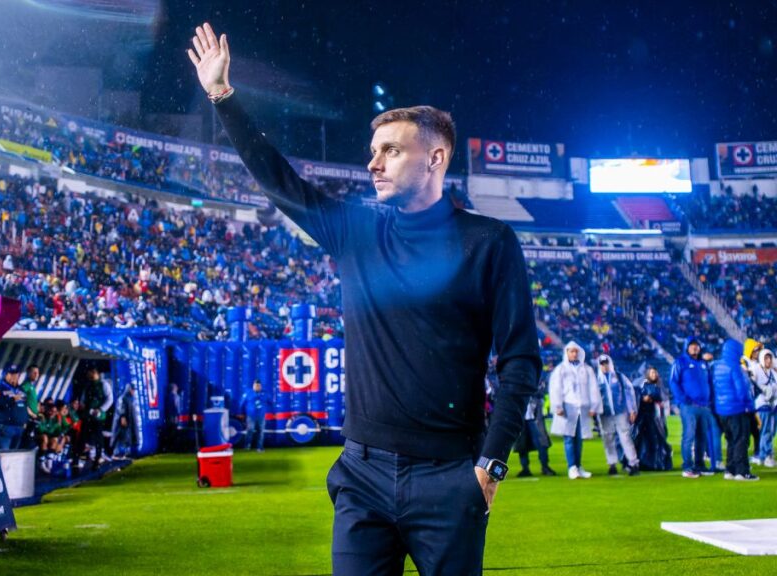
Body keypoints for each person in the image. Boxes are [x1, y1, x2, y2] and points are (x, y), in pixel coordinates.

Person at [188, 23, 541, 574]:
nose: (373, 163)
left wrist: (489, 467)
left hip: (449, 477)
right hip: (361, 474)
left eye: (391, 150)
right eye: (373, 151)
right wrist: (222, 96)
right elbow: (281, 181)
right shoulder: (357, 231)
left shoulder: (489, 241)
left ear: (436, 158)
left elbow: (520, 361)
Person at [669, 337, 721, 478]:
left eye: (697, 345)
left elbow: (709, 383)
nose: (695, 348)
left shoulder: (704, 364)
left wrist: (710, 400)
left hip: (704, 406)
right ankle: (687, 467)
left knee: (702, 437)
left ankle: (700, 465)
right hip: (689, 406)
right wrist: (683, 400)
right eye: (692, 345)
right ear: (686, 347)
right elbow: (673, 382)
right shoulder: (680, 362)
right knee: (689, 435)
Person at [549, 341, 601, 480]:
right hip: (567, 406)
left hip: (582, 408)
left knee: (579, 439)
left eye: (576, 351)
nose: (574, 354)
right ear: (566, 353)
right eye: (571, 351)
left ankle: (578, 466)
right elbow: (555, 388)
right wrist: (557, 406)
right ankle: (572, 467)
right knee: (569, 438)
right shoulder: (560, 369)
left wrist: (594, 406)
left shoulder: (586, 369)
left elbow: (593, 388)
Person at [713, 339, 758, 481]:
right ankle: (742, 472)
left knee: (731, 440)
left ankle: (730, 469)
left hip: (722, 410)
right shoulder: (735, 367)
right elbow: (741, 390)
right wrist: (749, 406)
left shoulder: (717, 366)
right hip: (737, 409)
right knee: (741, 440)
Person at [596, 355, 640, 476]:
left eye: (606, 363)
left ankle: (633, 463)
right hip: (605, 414)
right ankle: (612, 464)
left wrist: (632, 410)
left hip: (621, 412)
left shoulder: (620, 377)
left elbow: (630, 392)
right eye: (602, 364)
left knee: (626, 437)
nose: (604, 366)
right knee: (608, 439)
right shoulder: (596, 380)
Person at [632, 366, 673, 471]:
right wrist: (643, 398)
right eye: (652, 373)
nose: (654, 375)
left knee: (657, 439)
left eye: (655, 373)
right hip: (644, 418)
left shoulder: (659, 386)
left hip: (654, 418)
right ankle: (643, 462)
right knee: (642, 439)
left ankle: (655, 463)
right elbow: (637, 397)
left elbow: (662, 398)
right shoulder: (643, 385)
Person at [513, 380, 555, 477]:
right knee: (521, 445)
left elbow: (541, 391)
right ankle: (525, 468)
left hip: (535, 416)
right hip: (522, 416)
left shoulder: (536, 377)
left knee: (542, 443)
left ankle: (545, 466)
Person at [74, 366, 113, 464]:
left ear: (97, 374)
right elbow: (83, 399)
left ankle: (98, 456)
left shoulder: (104, 384)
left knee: (98, 435)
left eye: (92, 373)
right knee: (83, 436)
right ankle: (80, 458)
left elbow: (110, 399)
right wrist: (83, 405)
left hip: (98, 416)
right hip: (87, 415)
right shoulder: (87, 386)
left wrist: (101, 409)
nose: (90, 375)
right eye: (89, 373)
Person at [0, 365, 28, 450]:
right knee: (4, 453)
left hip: (19, 427)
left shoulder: (21, 389)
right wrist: (12, 400)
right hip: (6, 426)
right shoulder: (0, 388)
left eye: (15, 374)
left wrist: (25, 420)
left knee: (14, 456)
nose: (13, 376)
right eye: (11, 374)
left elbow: (24, 405)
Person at [751, 349, 776, 467]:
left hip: (773, 405)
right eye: (766, 358)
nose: (768, 360)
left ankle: (762, 455)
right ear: (762, 359)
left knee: (770, 431)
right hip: (761, 405)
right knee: (766, 430)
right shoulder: (757, 370)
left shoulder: (773, 372)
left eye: (770, 358)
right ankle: (766, 455)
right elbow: (751, 385)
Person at [742, 338, 764, 465]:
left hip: (754, 400)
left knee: (756, 429)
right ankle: (742, 454)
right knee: (744, 431)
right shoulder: (743, 361)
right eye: (755, 350)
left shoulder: (756, 362)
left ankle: (757, 453)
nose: (757, 352)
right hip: (745, 402)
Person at [239, 379, 271, 452]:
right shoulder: (248, 393)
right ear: (253, 385)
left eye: (259, 385)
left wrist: (265, 408)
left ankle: (259, 447)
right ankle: (247, 446)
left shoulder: (265, 394)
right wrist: (241, 413)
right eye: (256, 385)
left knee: (260, 431)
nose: (257, 387)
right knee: (250, 430)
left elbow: (270, 402)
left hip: (261, 416)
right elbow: (242, 404)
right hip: (250, 416)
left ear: (261, 386)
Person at [111, 384, 137, 460]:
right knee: (120, 436)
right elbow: (121, 409)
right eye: (133, 389)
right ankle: (116, 453)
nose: (134, 391)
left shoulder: (129, 398)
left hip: (128, 421)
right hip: (122, 422)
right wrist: (123, 417)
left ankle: (125, 454)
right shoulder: (123, 398)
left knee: (126, 438)